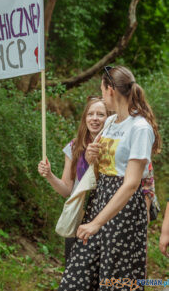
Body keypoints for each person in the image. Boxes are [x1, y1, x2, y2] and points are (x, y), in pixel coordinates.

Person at [58, 65, 162, 290]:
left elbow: (132, 183)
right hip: (99, 199)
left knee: (115, 280)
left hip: (124, 210)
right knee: (77, 275)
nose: (102, 96)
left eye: (102, 90)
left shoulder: (140, 128)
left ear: (110, 89)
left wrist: (96, 223)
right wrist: (90, 155)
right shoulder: (110, 122)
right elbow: (98, 165)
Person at [37, 97, 109, 264]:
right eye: (91, 114)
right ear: (85, 118)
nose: (95, 118)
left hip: (106, 215)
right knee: (74, 268)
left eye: (101, 114)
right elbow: (67, 190)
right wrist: (49, 175)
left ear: (109, 117)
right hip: (80, 216)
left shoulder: (114, 145)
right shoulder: (74, 147)